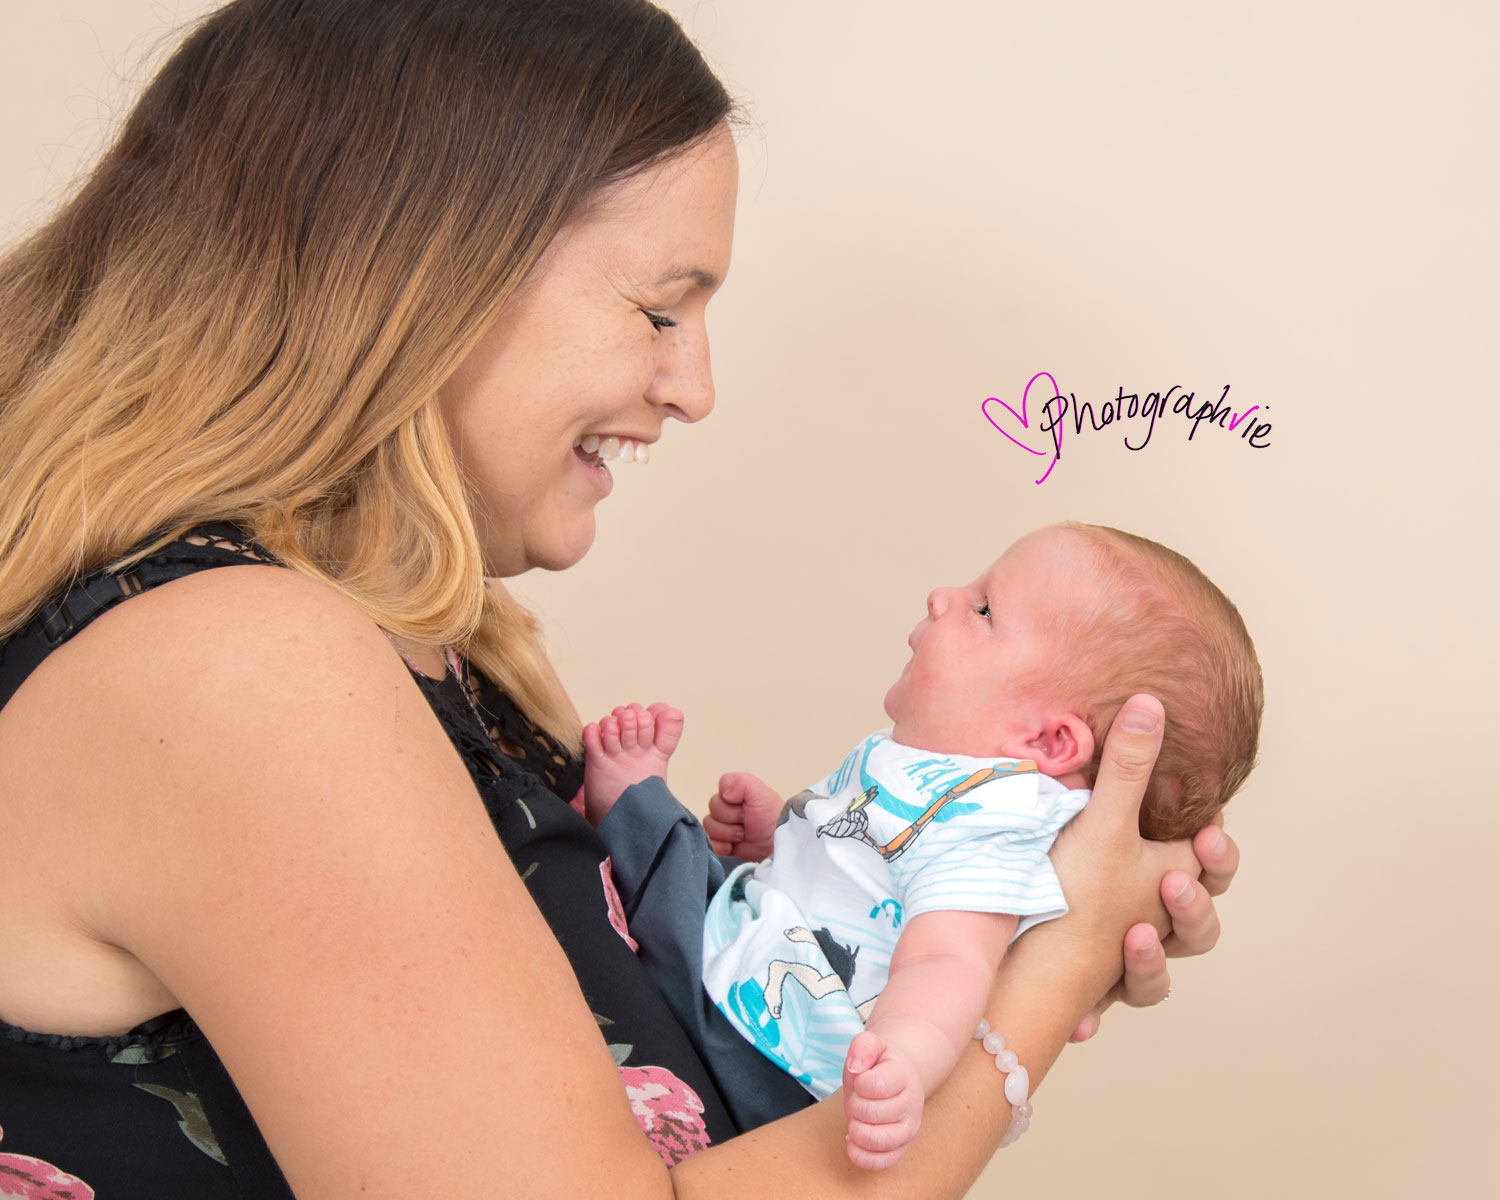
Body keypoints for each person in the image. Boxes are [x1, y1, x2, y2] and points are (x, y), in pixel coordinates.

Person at [0, 2, 1240, 1196]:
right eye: (659, 308)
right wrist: (1036, 994)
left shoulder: (410, 649)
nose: (694, 386)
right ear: (417, 277)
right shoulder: (234, 667)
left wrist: (981, 930)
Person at [580, 522, 1262, 1167]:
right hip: (770, 979)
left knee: (673, 888)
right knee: (705, 883)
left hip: (764, 1039)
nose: (943, 598)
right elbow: (874, 885)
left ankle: (632, 802)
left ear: (1049, 742)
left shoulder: (992, 821)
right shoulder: (949, 782)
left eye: (985, 609)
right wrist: (780, 844)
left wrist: (907, 1057)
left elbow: (947, 958)